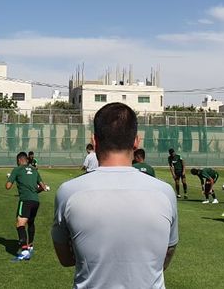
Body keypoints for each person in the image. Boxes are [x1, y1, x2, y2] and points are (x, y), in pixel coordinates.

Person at [52, 103, 178, 289]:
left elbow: (66, 258)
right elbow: (165, 256)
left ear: (94, 141)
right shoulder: (165, 192)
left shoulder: (69, 191)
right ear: (136, 141)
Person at [6, 151, 48, 261]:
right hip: (36, 201)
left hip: (25, 200)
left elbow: (8, 186)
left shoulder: (17, 169)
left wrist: (11, 178)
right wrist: (33, 191)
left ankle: (25, 251)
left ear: (20, 160)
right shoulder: (34, 170)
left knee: (20, 223)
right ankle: (31, 245)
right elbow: (43, 187)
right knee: (31, 222)